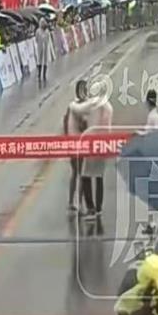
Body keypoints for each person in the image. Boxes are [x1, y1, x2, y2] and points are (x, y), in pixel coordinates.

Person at [69, 80, 113, 236]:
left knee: (86, 176)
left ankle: (91, 208)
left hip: (92, 144)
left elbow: (77, 109)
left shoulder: (94, 104)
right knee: (99, 177)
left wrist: (72, 105)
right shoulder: (109, 106)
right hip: (104, 145)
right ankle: (98, 208)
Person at [64, 80, 88, 214]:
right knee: (82, 174)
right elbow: (83, 126)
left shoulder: (71, 105)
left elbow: (65, 121)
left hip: (71, 144)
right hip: (79, 144)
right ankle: (80, 204)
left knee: (74, 173)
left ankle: (70, 202)